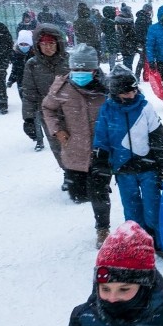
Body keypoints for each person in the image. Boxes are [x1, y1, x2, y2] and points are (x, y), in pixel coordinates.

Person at [90, 66, 163, 251]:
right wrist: (100, 163)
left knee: (153, 207)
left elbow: (158, 138)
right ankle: (138, 241)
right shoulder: (107, 111)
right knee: (132, 208)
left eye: (134, 89)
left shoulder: (145, 108)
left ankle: (159, 240)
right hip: (123, 169)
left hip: (148, 167)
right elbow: (101, 139)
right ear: (116, 92)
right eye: (127, 91)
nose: (132, 94)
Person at [42, 43, 111, 241]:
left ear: (94, 69)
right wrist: (57, 130)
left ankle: (102, 229)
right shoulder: (62, 87)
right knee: (79, 195)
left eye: (84, 70)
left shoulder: (107, 88)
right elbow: (48, 109)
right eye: (76, 69)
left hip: (102, 150)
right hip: (75, 149)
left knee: (99, 192)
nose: (80, 73)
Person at [23, 25, 70, 183]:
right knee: (57, 145)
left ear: (58, 43)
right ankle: (67, 173)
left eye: (51, 43)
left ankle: (82, 171)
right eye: (43, 44)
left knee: (76, 141)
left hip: (72, 109)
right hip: (48, 113)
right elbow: (29, 93)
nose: (48, 47)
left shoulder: (68, 60)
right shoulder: (32, 64)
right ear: (38, 45)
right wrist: (28, 119)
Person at [116, 4, 138, 70]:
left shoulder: (118, 21)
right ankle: (128, 76)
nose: (131, 12)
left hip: (125, 45)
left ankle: (127, 75)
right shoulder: (128, 21)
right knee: (128, 62)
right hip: (129, 44)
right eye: (130, 11)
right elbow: (131, 34)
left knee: (127, 62)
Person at [133, 4, 152, 81]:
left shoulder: (144, 17)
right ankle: (138, 75)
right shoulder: (142, 18)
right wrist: (142, 40)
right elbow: (139, 31)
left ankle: (142, 75)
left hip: (144, 40)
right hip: (143, 41)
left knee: (143, 59)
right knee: (142, 59)